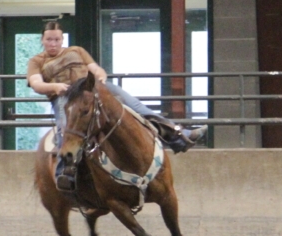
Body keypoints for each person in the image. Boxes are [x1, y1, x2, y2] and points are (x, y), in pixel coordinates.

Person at [28, 21, 204, 187]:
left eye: (57, 39)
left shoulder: (77, 51)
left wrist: (100, 75)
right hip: (65, 96)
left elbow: (94, 68)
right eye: (49, 39)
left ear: (62, 39)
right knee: (65, 127)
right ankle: (65, 171)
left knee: (137, 107)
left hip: (90, 89)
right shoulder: (37, 61)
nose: (53, 43)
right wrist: (54, 87)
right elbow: (36, 83)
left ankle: (178, 136)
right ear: (42, 40)